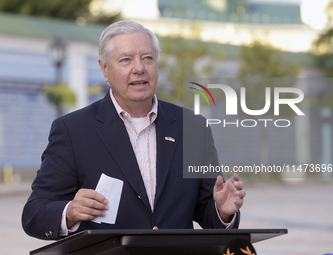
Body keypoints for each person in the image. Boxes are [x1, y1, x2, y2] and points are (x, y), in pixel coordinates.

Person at [22, 20, 245, 240]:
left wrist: (223, 211)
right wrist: (70, 212)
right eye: (126, 60)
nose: (139, 69)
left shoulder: (193, 128)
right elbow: (34, 213)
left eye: (147, 58)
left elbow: (206, 209)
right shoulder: (73, 131)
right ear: (105, 69)